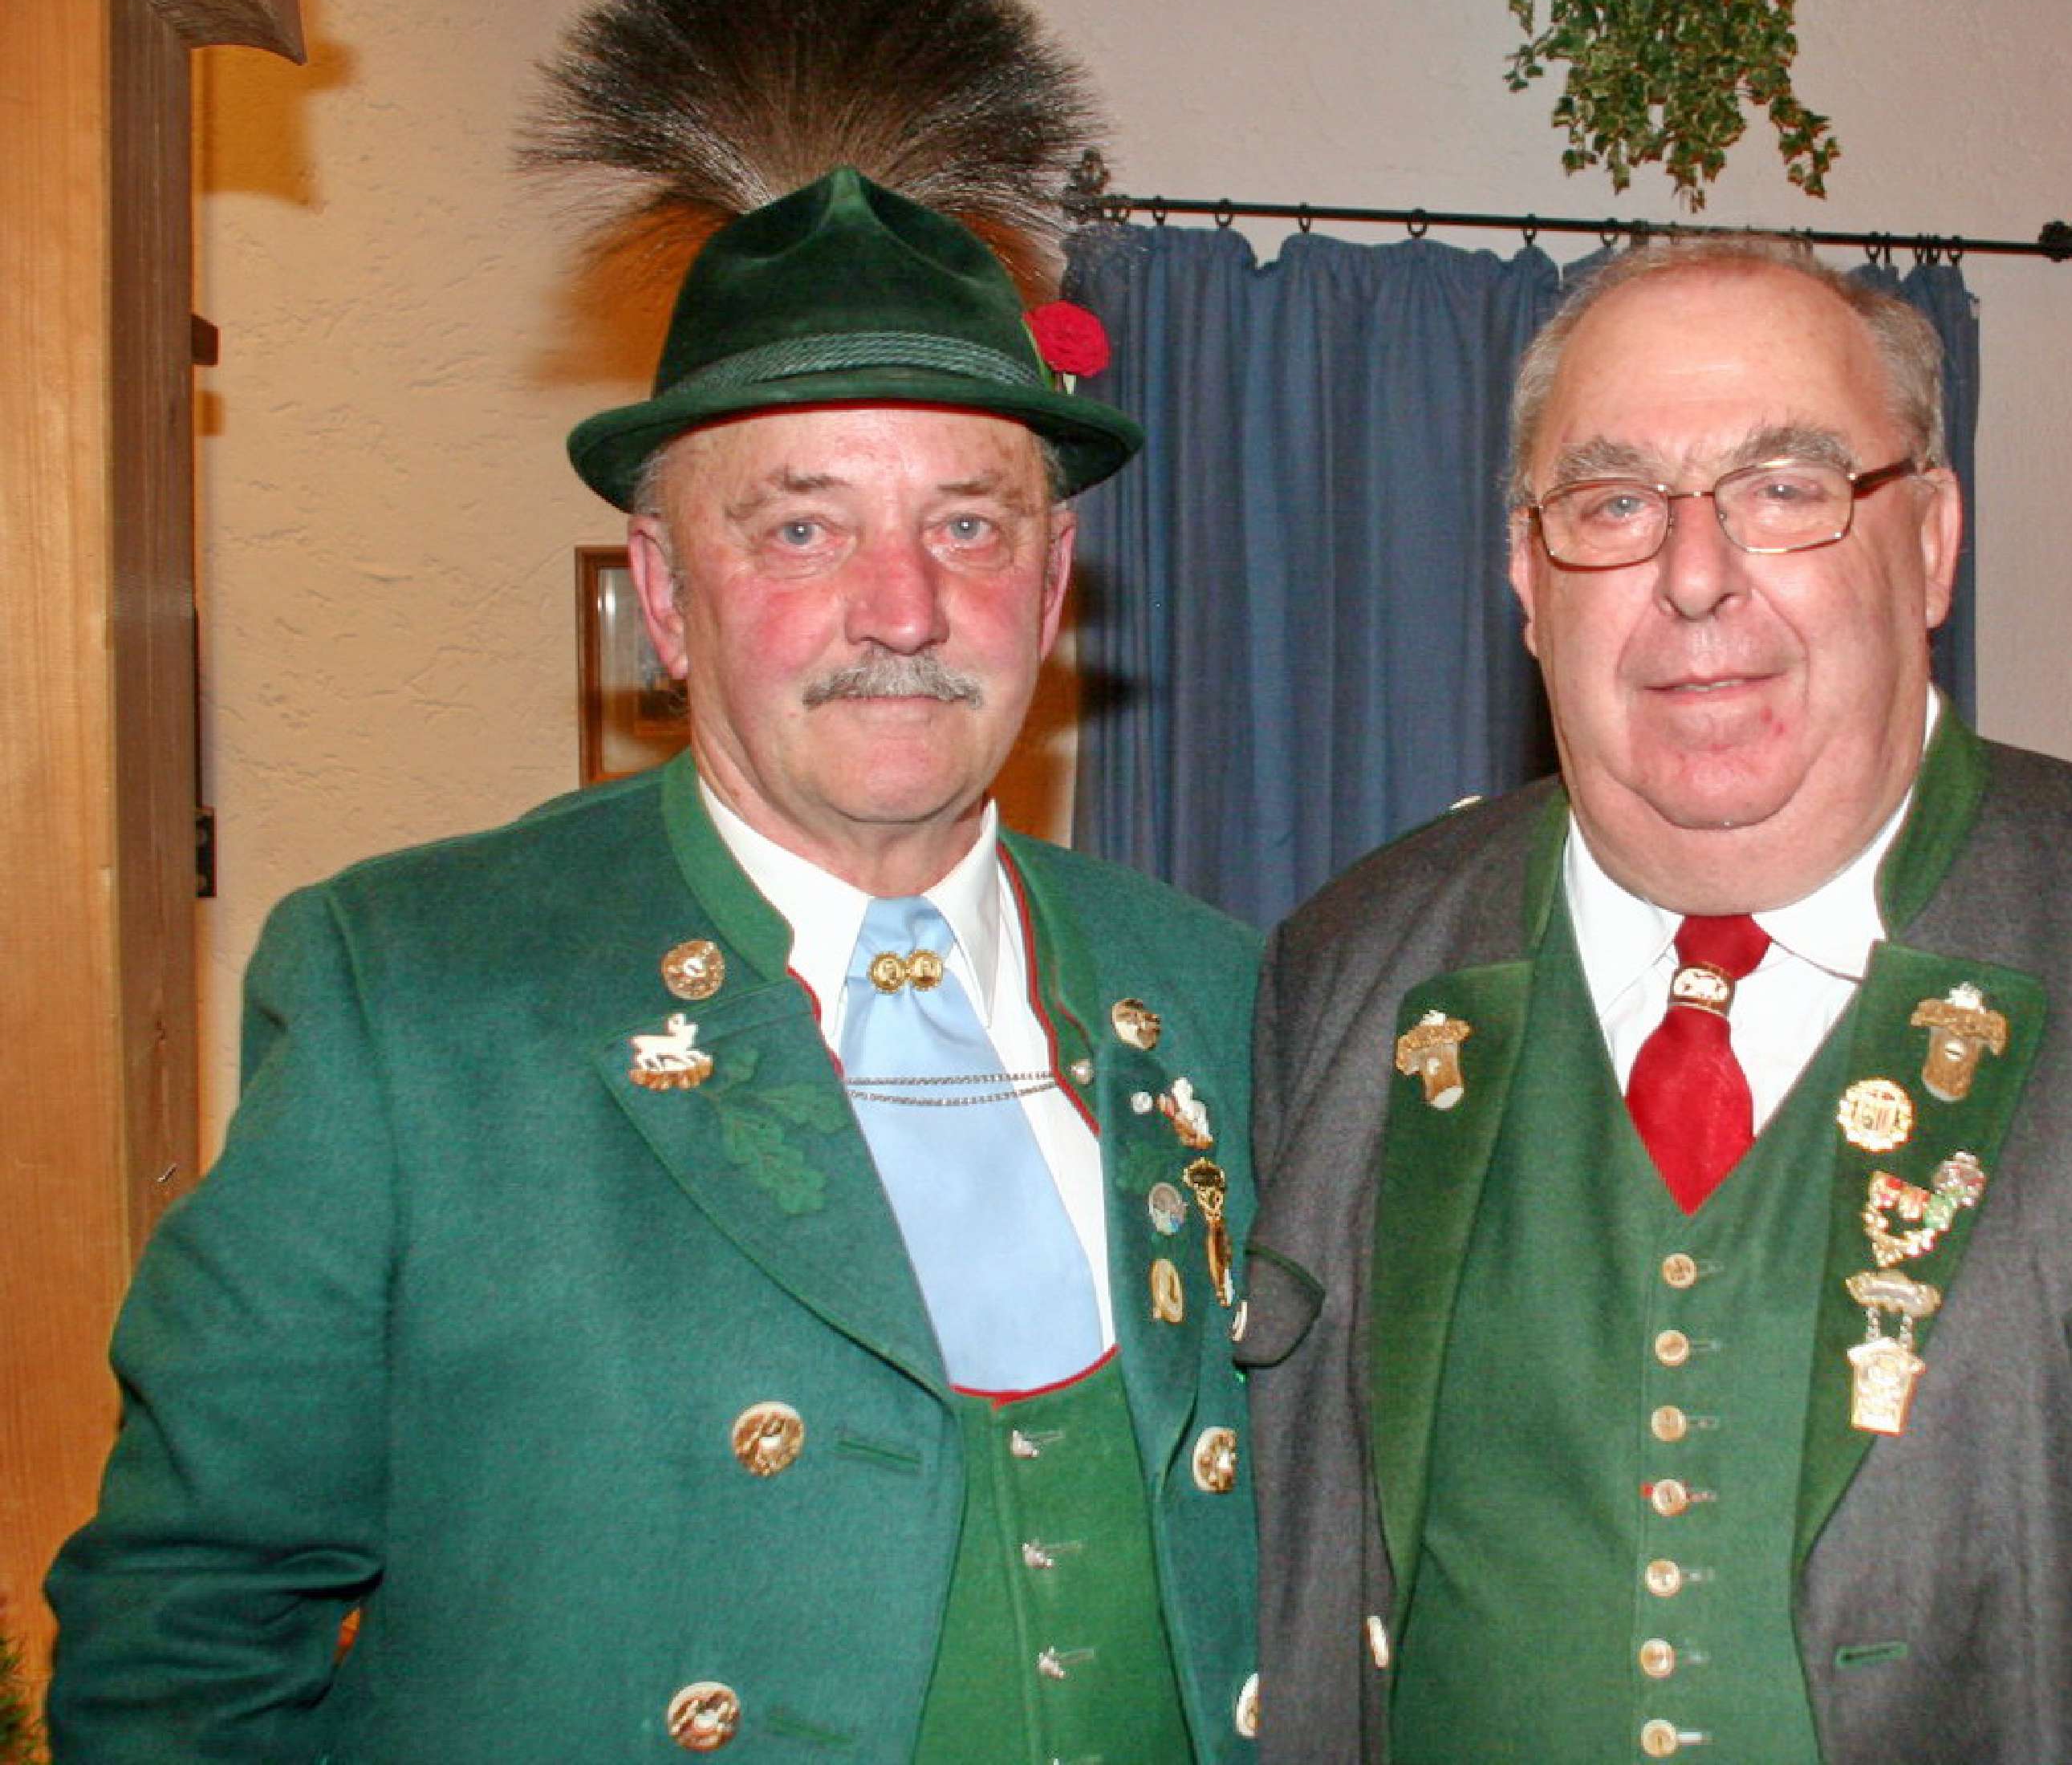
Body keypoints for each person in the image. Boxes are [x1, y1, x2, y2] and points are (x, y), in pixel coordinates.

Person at [1241, 236, 2072, 1763]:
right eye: (1614, 504)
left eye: (1786, 488)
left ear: (1930, 543)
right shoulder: (1350, 970)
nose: (1694, 575)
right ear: (1529, 579)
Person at [45, 171, 1261, 1757]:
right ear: (669, 596)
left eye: (968, 525)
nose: (903, 610)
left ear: (1049, 584)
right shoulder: (412, 995)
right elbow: (185, 1639)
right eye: (804, 529)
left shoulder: (1220, 989)